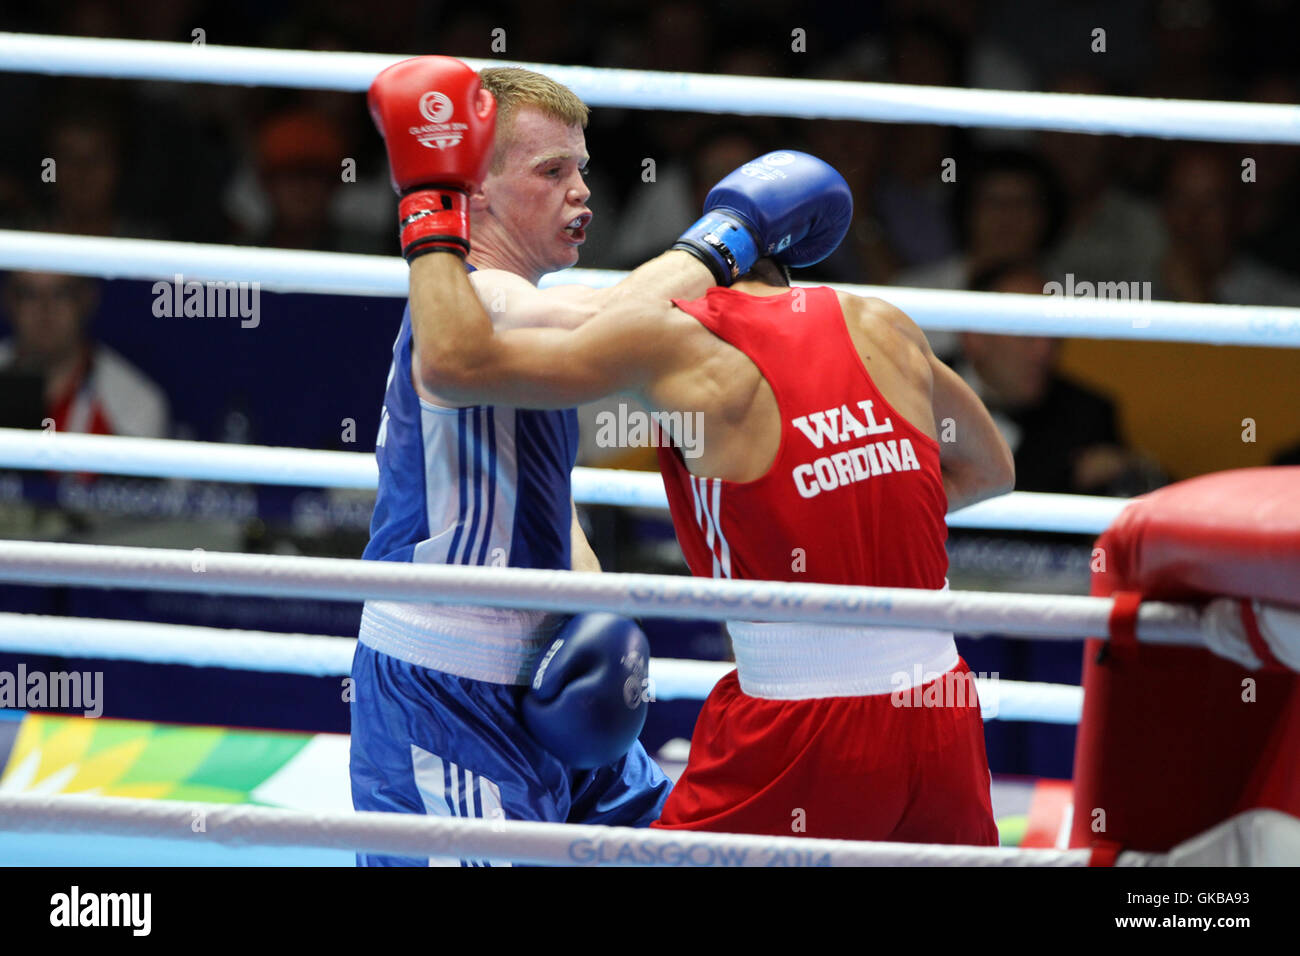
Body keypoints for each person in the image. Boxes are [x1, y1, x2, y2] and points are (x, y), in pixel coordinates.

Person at [401, 81, 1014, 843]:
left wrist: (426, 201)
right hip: (941, 706)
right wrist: (845, 513)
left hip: (798, 718)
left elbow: (460, 364)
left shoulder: (677, 341)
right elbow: (991, 472)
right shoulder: (881, 320)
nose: (580, 193)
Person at [354, 57, 846, 864]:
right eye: (551, 172)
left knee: (678, 848)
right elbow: (621, 321)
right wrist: (731, 237)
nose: (581, 191)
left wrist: (595, 610)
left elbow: (539, 493)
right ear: (473, 188)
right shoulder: (481, 299)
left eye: (581, 169)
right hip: (450, 694)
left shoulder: (520, 309)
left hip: (541, 667)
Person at [0, 270, 169, 438]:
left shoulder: (134, 404)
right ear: (8, 299)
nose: (45, 309)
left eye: (61, 293)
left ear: (88, 298)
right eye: (29, 294)